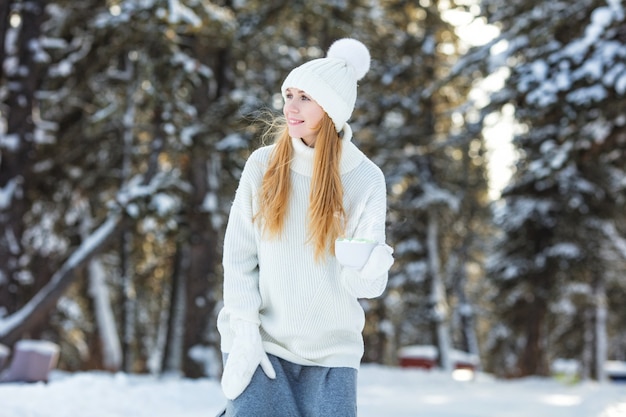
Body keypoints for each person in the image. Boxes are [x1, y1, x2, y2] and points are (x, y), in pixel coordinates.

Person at [216, 38, 394, 417]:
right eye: (289, 94)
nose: (289, 107)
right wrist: (244, 331)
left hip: (333, 353)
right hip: (261, 343)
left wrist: (372, 267)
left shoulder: (364, 179)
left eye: (304, 98)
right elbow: (238, 257)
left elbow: (364, 287)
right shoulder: (263, 165)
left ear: (331, 109)